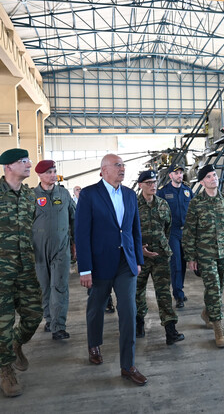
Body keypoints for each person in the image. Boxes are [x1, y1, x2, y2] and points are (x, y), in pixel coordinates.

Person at [75, 153, 147, 386]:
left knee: (128, 311)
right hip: (99, 263)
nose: (122, 169)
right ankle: (94, 344)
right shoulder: (89, 194)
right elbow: (82, 234)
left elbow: (134, 230)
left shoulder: (129, 195)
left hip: (125, 263)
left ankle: (128, 365)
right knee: (96, 308)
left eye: (123, 165)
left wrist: (137, 259)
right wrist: (85, 268)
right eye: (117, 165)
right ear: (104, 169)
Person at [182, 164, 224, 348]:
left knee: (219, 288)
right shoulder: (196, 203)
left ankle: (207, 312)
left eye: (214, 175)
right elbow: (189, 231)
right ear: (202, 182)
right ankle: (218, 328)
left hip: (223, 253)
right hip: (205, 254)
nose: (213, 178)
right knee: (214, 289)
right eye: (208, 176)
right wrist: (191, 256)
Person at [0, 148, 43, 397]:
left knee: (34, 315)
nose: (29, 164)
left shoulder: (29, 196)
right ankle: (5, 369)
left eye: (28, 160)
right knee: (2, 323)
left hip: (26, 267)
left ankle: (17, 343)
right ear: (8, 167)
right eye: (23, 161)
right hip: (1, 273)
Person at [136, 170, 185, 345]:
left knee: (164, 294)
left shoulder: (163, 204)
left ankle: (170, 331)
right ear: (140, 185)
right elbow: (126, 231)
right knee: (137, 292)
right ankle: (138, 324)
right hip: (139, 257)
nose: (153, 185)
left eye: (155, 182)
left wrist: (160, 246)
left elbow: (168, 229)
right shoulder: (133, 204)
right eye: (148, 182)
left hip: (161, 256)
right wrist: (138, 249)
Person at [33, 160, 76, 340]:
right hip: (38, 250)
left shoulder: (64, 194)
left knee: (59, 286)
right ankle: (49, 320)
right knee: (44, 287)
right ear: (40, 175)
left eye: (54, 171)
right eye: (49, 172)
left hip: (61, 248)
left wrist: (76, 244)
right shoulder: (32, 196)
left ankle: (59, 326)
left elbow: (75, 219)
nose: (53, 175)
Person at [157, 164, 193, 308]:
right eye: (176, 173)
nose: (179, 175)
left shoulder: (188, 191)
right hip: (172, 232)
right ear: (170, 175)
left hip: (186, 232)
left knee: (184, 263)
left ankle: (180, 290)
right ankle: (178, 295)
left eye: (181, 173)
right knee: (176, 263)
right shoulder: (163, 192)